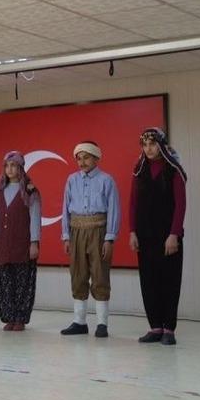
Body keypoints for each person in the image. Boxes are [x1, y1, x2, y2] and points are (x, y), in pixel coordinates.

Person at [129, 128, 187, 346]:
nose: (149, 149)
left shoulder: (173, 170)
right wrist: (132, 231)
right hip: (145, 236)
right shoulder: (139, 169)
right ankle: (154, 327)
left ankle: (168, 329)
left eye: (152, 144)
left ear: (161, 145)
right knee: (149, 281)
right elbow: (133, 203)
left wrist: (174, 234)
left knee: (169, 281)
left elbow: (180, 205)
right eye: (145, 145)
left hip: (167, 236)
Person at [60, 141, 120, 338]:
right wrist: (66, 236)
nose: (82, 161)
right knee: (78, 274)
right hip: (76, 230)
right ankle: (79, 321)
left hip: (98, 231)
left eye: (86, 157)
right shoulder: (71, 180)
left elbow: (113, 210)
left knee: (100, 274)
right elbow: (65, 208)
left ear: (96, 158)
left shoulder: (106, 180)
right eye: (78, 158)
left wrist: (109, 238)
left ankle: (102, 324)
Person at [0, 151, 41, 331]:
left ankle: (20, 318)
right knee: (5, 282)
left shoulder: (29, 191)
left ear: (20, 168)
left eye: (13, 165)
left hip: (22, 244)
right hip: (3, 244)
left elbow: (35, 218)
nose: (10, 169)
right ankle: (9, 317)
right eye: (7, 166)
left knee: (22, 282)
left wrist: (34, 242)